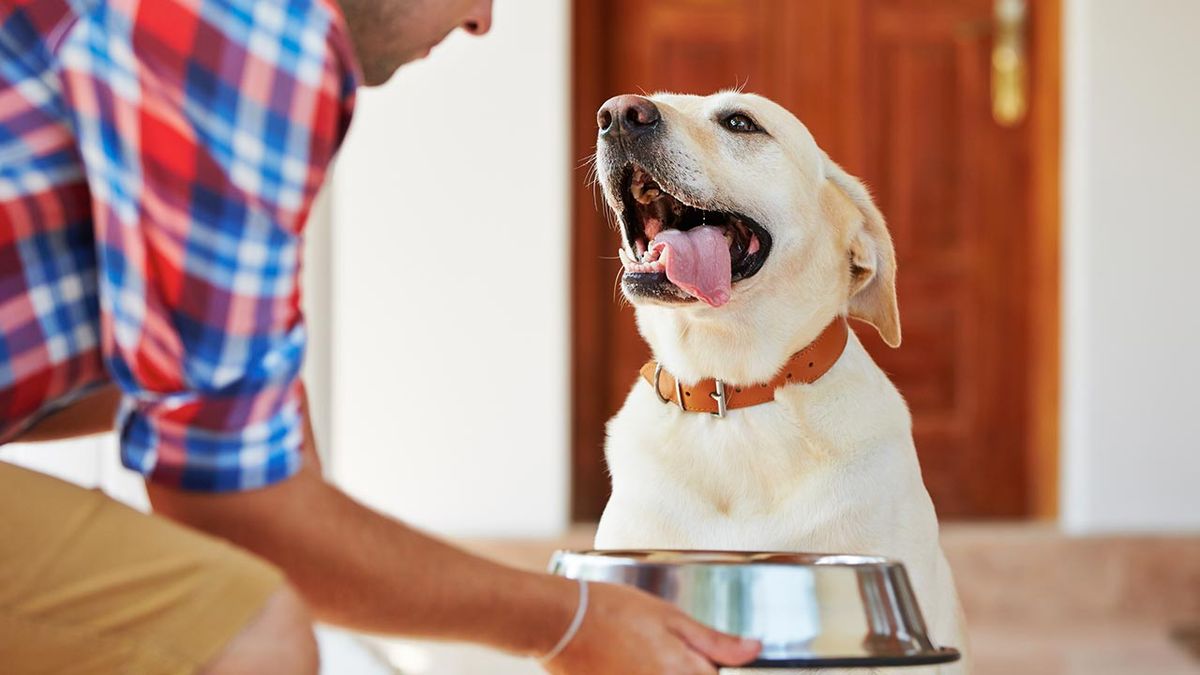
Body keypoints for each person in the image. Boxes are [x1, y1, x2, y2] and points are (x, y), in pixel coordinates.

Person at [0, 1, 763, 673]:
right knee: (248, 633)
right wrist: (569, 620)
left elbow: (214, 410)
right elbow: (229, 507)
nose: (482, 20)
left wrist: (301, 515)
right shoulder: (260, 29)